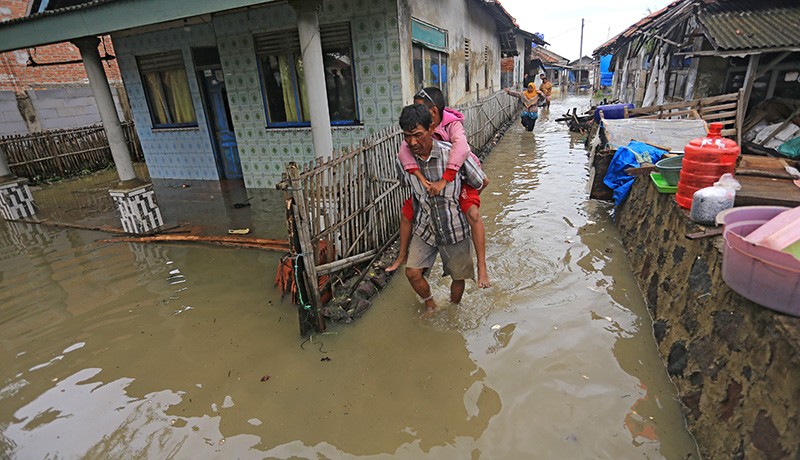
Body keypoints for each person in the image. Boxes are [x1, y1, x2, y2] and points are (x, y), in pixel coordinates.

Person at [386, 87, 491, 288]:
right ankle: (403, 257)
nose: (412, 141)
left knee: (473, 215)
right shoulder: (411, 141)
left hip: (459, 175)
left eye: (420, 108)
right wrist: (419, 178)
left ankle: (482, 269)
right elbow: (404, 154)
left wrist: (451, 184)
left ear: (433, 115)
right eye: (408, 136)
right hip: (428, 193)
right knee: (407, 212)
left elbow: (462, 150)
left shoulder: (453, 125)